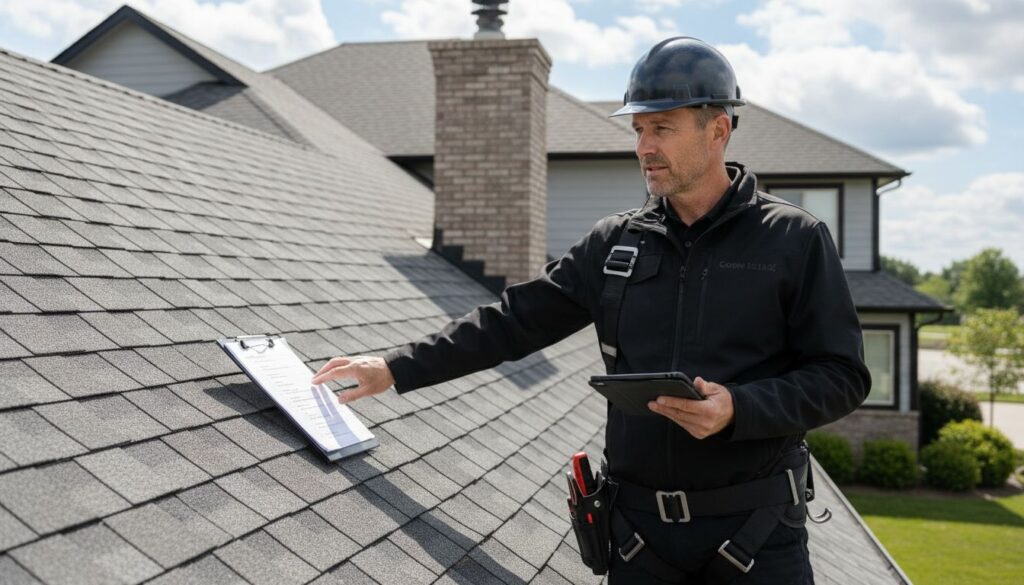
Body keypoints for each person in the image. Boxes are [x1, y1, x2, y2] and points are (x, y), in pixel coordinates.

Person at [312, 36, 870, 584]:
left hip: (757, 537)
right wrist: (395, 367)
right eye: (638, 129)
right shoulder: (615, 244)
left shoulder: (793, 239)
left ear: (718, 129)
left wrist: (739, 409)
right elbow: (513, 322)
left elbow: (841, 376)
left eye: (662, 128)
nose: (644, 147)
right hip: (639, 542)